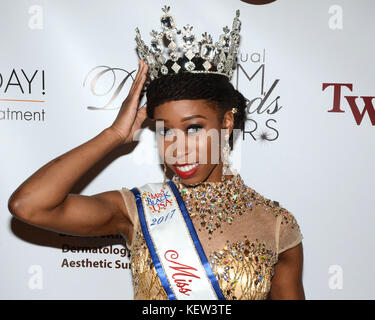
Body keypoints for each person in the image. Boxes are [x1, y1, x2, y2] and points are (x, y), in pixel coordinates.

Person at [8, 7, 304, 300]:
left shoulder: (276, 224)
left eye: (193, 129)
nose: (177, 148)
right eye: (165, 131)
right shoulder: (139, 209)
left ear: (226, 122)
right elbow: (29, 205)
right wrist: (114, 135)